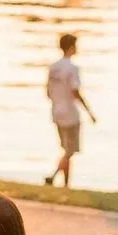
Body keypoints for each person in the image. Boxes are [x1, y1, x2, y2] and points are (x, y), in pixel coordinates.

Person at [44, 33, 96, 188]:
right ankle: (53, 177)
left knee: (66, 150)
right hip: (70, 113)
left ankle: (66, 185)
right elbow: (75, 92)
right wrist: (90, 113)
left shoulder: (53, 67)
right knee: (69, 151)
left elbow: (48, 92)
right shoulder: (72, 68)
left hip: (57, 112)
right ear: (72, 47)